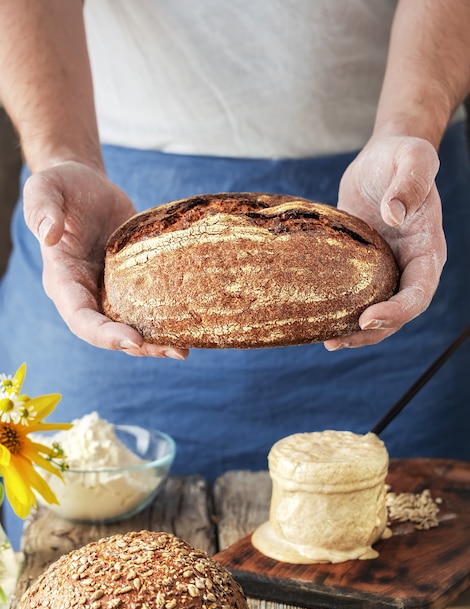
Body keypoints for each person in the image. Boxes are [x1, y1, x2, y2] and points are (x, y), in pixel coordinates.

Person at [0, 1, 470, 546]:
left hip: (390, 195)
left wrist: (409, 126)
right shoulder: (111, 246)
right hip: (106, 211)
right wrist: (62, 154)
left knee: (408, 550)